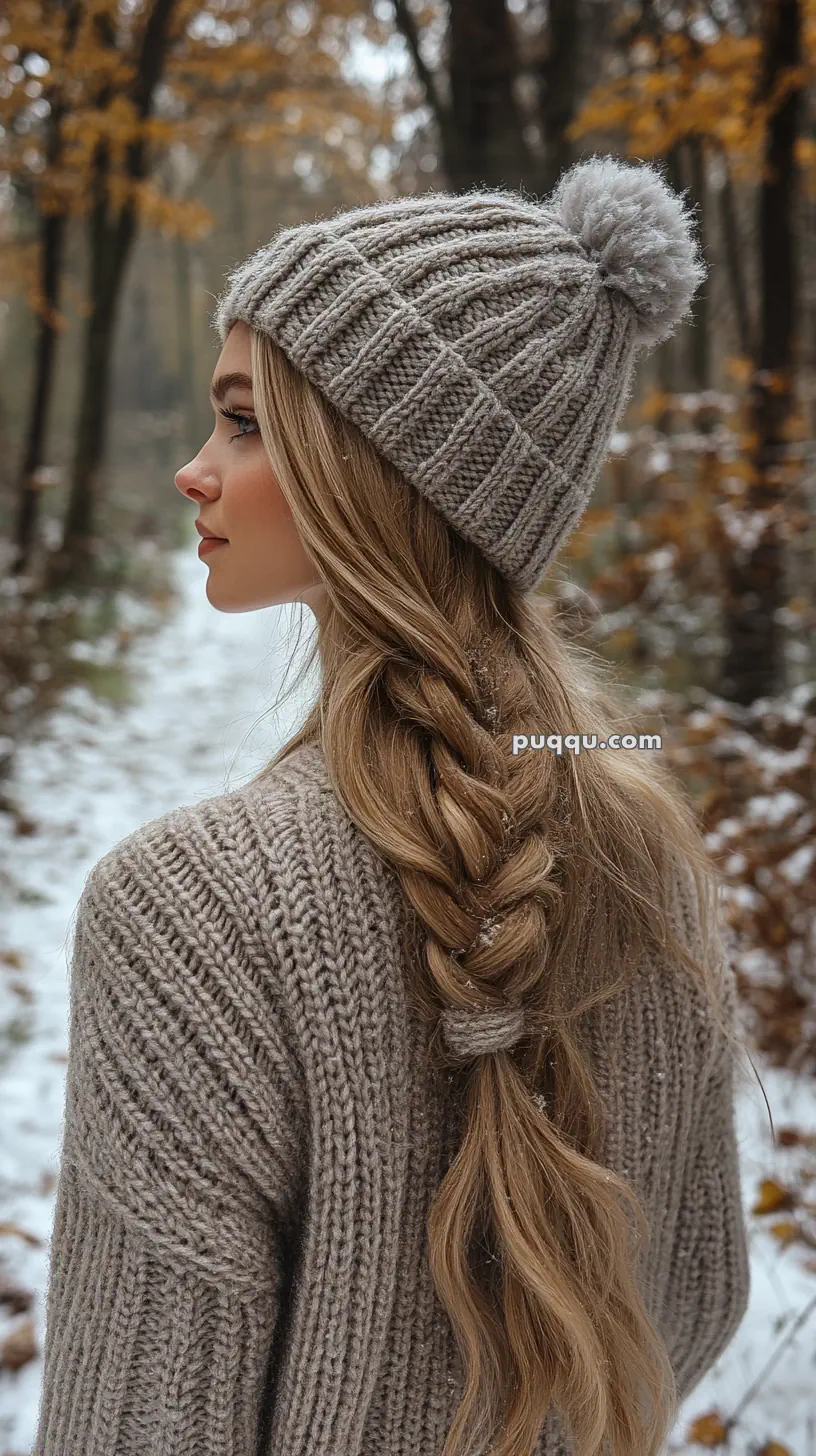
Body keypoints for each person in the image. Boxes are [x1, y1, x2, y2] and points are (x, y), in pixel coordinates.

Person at [33, 154, 751, 1456]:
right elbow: (692, 1297)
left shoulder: (187, 906)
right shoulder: (645, 849)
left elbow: (137, 1423)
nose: (197, 470)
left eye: (246, 421)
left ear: (378, 466)